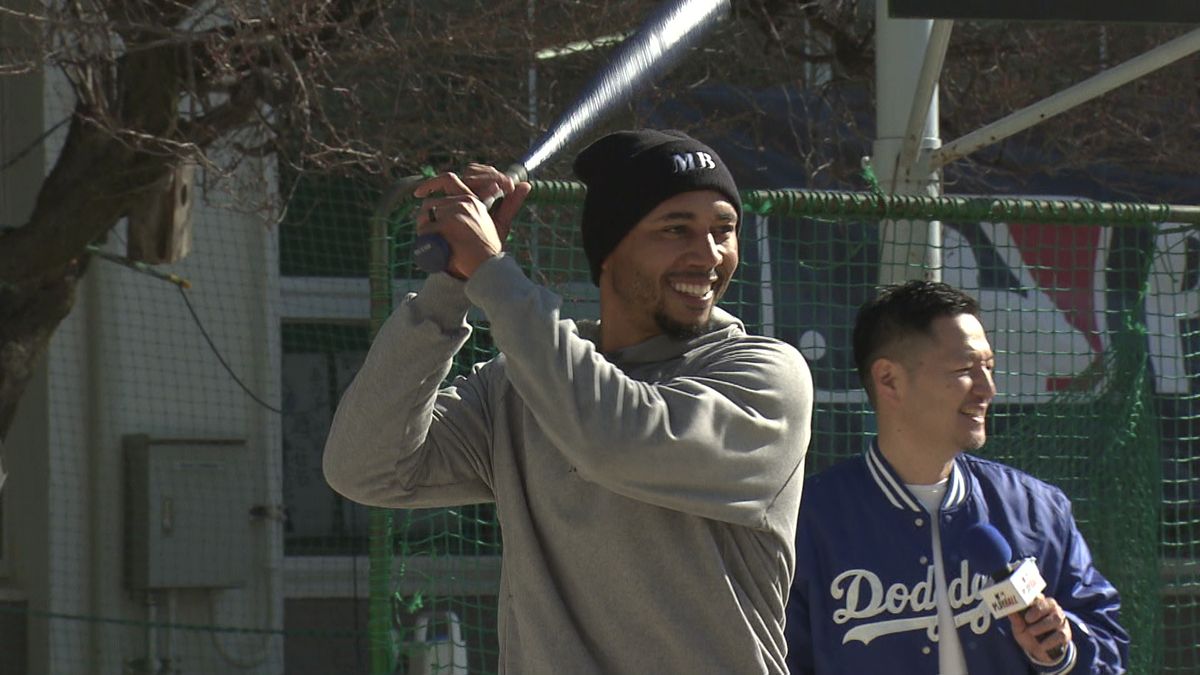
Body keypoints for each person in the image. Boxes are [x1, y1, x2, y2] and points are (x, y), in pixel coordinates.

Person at [324, 129, 813, 673]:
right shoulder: (521, 383)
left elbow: (615, 440)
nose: (708, 255)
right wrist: (451, 285)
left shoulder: (764, 373)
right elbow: (364, 469)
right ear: (609, 250)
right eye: (676, 230)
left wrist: (493, 272)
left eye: (725, 230)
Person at [785, 280, 1128, 675]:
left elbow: (1108, 645)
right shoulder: (808, 523)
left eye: (989, 368)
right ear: (889, 380)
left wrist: (1061, 650)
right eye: (965, 370)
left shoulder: (1036, 511)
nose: (987, 389)